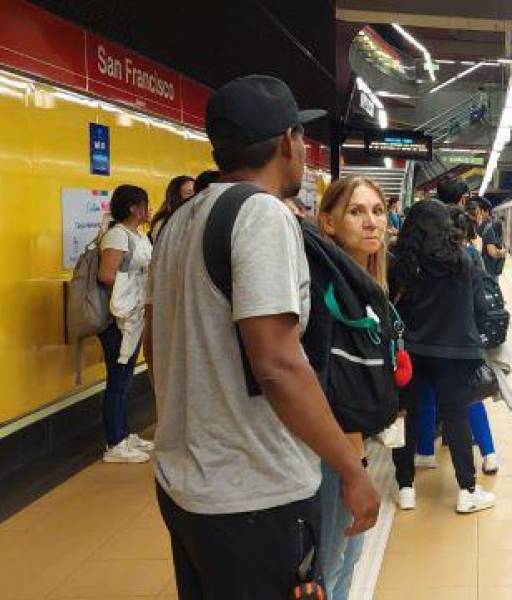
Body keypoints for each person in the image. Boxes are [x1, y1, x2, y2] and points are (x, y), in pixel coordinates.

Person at [146, 75, 379, 597]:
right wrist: (351, 469)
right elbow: (277, 362)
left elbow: (154, 347)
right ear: (286, 142)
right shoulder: (261, 215)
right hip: (255, 495)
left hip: (188, 489)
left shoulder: (180, 222)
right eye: (302, 137)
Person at [310, 176, 398, 599]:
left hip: (353, 453)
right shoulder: (327, 294)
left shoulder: (371, 290)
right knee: (329, 563)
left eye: (378, 211)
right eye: (356, 211)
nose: (371, 222)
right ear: (328, 222)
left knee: (348, 558)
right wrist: (351, 468)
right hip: (332, 455)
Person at [390, 199, 496, 514]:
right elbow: (480, 307)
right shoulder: (464, 261)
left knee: (406, 417)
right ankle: (467, 491)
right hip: (454, 352)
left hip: (411, 351)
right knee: (456, 417)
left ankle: (405, 489)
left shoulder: (401, 264)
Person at [96, 184, 155, 463]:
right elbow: (107, 274)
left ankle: (124, 433)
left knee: (125, 378)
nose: (148, 208)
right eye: (145, 203)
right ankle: (114, 442)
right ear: (133, 207)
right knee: (118, 381)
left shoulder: (138, 235)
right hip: (118, 319)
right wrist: (135, 284)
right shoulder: (117, 236)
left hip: (134, 316)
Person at [149, 175, 195, 242]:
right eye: (189, 193)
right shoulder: (163, 224)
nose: (195, 197)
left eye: (197, 193)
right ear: (176, 198)